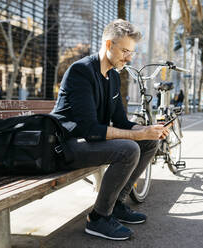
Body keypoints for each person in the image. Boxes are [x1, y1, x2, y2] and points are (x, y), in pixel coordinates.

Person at [52, 19, 170, 241]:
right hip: (65, 145)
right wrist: (136, 135)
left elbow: (121, 122)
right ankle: (98, 218)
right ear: (108, 45)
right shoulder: (81, 71)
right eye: (125, 50)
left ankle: (116, 205)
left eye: (131, 52)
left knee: (149, 142)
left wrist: (148, 130)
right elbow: (89, 129)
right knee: (128, 149)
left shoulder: (114, 76)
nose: (129, 57)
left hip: (88, 142)